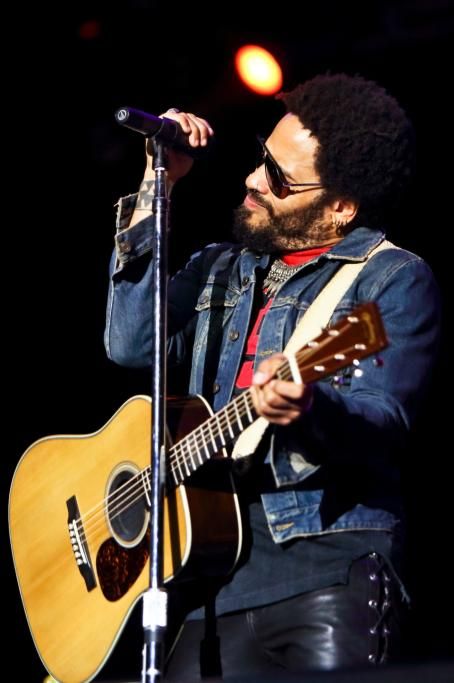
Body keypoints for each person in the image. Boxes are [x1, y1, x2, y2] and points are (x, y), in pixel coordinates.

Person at [104, 73, 441, 679]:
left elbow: (382, 417)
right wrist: (158, 185)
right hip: (212, 577)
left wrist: (310, 408)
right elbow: (130, 345)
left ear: (341, 208)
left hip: (324, 569)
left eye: (279, 177)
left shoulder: (390, 278)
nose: (253, 180)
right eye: (263, 158)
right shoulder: (217, 266)